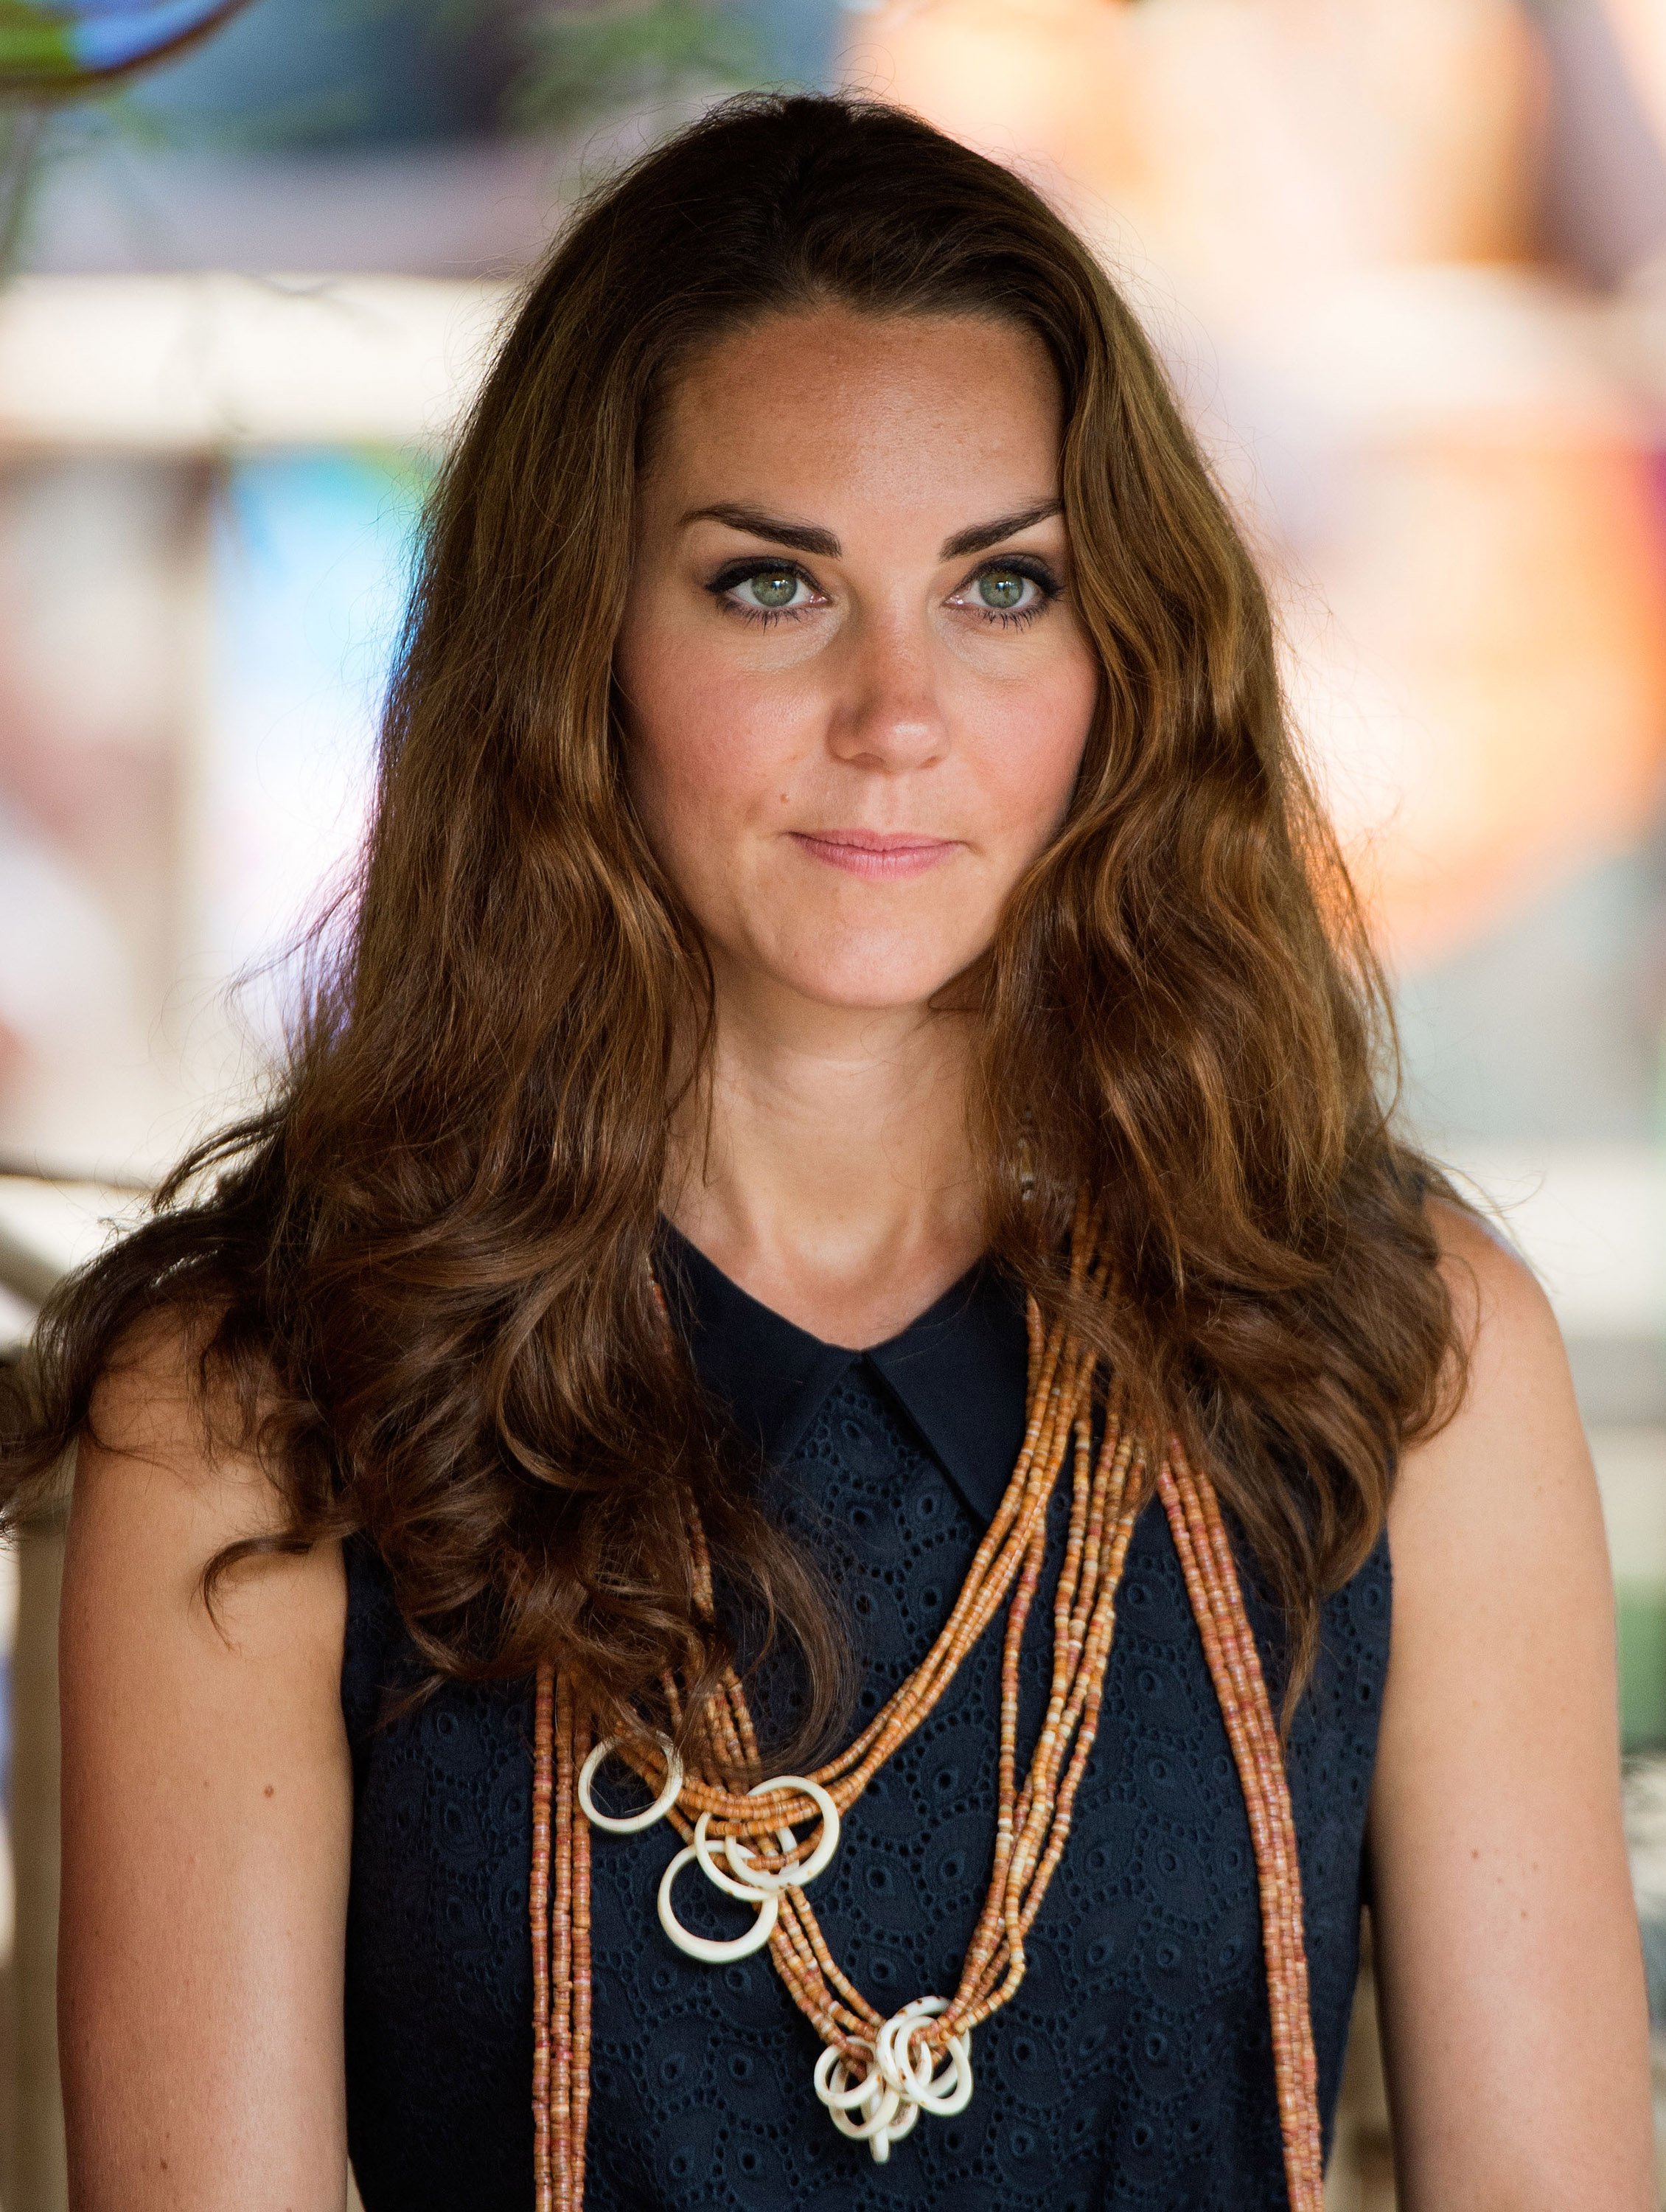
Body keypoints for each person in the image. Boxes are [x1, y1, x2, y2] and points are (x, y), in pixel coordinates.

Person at [1, 93, 1651, 2212]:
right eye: (771, 585)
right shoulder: (249, 1404)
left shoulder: (1399, 1358)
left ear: (1119, 654)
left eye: (1002, 585)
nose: (896, 712)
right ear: (572, 637)